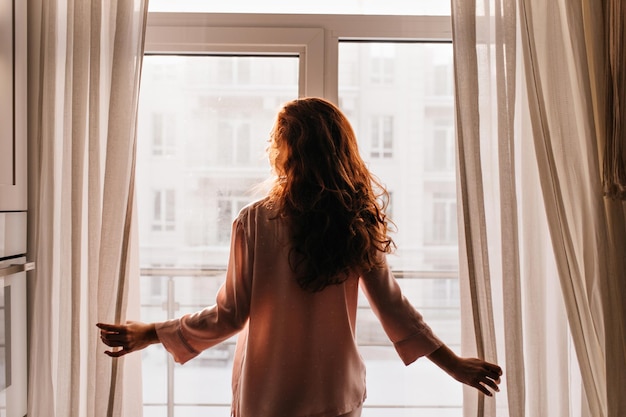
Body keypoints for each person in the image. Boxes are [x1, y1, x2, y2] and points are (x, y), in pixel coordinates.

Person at [98, 97, 502, 417]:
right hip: (334, 394)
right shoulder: (356, 221)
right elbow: (394, 309)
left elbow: (229, 316)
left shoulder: (254, 221)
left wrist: (150, 332)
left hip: (268, 398)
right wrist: (455, 365)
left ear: (286, 149)